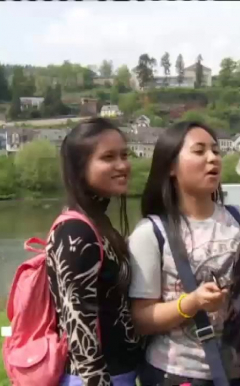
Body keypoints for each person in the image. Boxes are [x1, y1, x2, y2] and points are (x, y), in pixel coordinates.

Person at [127, 121, 240, 386]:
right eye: (199, 151)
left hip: (239, 370)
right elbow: (140, 320)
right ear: (171, 167)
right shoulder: (150, 232)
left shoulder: (236, 219)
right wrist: (192, 302)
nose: (212, 158)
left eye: (216, 151)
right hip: (177, 374)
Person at [46, 118, 143, 386]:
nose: (122, 165)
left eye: (125, 155)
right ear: (80, 169)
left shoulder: (98, 222)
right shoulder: (77, 232)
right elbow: (80, 332)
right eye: (108, 157)